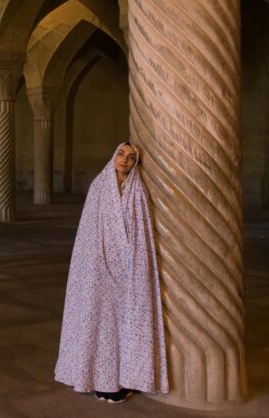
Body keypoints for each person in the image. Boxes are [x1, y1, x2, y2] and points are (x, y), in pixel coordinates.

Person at [54, 141, 168, 403]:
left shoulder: (137, 190)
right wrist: (95, 265)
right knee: (100, 323)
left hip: (127, 269)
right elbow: (89, 232)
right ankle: (101, 381)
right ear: (113, 155)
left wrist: (133, 265)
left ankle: (123, 378)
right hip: (98, 268)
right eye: (120, 154)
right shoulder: (99, 187)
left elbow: (141, 231)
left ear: (135, 163)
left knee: (125, 324)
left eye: (131, 157)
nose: (124, 160)